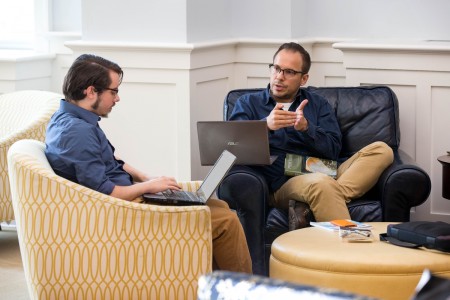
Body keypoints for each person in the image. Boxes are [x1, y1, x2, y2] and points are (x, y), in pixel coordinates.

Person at [45, 54, 252, 273]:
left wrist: (145, 177)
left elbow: (111, 161)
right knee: (226, 221)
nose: (117, 99)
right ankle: (243, 292)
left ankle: (217, 288)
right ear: (90, 91)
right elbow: (108, 194)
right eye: (113, 91)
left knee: (219, 206)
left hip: (127, 202)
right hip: (126, 214)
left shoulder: (71, 118)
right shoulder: (78, 132)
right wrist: (150, 187)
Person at [229, 42, 394, 228]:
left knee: (382, 150)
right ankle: (350, 253)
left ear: (304, 78)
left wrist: (307, 129)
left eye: (289, 72)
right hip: (284, 184)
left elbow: (333, 150)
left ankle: (323, 197)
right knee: (320, 184)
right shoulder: (248, 103)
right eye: (276, 68)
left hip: (327, 170)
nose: (279, 77)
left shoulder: (318, 104)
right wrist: (265, 126)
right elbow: (232, 146)